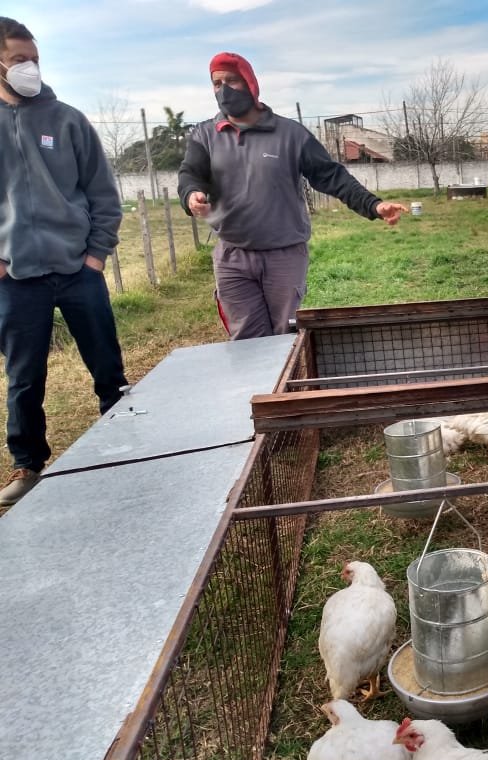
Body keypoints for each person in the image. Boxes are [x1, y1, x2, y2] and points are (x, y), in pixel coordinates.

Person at [178, 52, 408, 340]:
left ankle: (286, 387)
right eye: (216, 83)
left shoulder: (290, 134)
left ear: (249, 83)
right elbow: (190, 173)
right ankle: (256, 387)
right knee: (246, 341)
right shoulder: (205, 135)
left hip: (283, 255)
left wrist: (373, 205)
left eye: (232, 81)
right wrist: (191, 194)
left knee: (283, 338)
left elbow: (330, 175)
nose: (223, 90)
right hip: (232, 256)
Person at [0, 17, 128, 507]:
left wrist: (95, 256)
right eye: (17, 60)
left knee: (107, 367)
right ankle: (27, 465)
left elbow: (102, 194)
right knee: (24, 376)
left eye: (33, 58)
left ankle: (124, 447)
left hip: (79, 271)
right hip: (17, 279)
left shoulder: (68, 120)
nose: (29, 68)